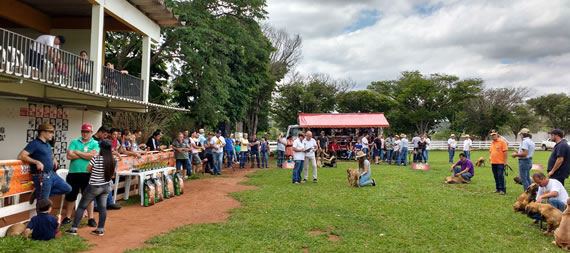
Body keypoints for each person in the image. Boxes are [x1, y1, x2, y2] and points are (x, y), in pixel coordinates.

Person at [66, 139, 117, 236]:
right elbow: (112, 174)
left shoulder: (96, 159)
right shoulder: (112, 160)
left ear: (101, 148)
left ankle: (74, 228)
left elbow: (88, 169)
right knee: (103, 208)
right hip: (106, 186)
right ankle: (100, 229)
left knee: (81, 206)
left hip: (94, 186)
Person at [18, 124, 71, 204]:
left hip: (52, 174)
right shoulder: (34, 144)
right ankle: (40, 200)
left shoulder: (47, 143)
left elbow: (50, 152)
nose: (52, 134)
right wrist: (36, 162)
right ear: (43, 132)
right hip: (42, 176)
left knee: (67, 188)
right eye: (50, 132)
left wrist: (54, 159)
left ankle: (38, 194)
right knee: (43, 202)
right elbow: (21, 156)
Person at [62, 123, 99, 227]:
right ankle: (68, 217)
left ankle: (91, 218)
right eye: (83, 131)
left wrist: (77, 152)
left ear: (91, 133)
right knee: (70, 196)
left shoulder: (95, 143)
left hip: (88, 173)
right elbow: (69, 156)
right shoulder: (74, 142)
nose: (85, 134)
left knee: (88, 196)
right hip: (73, 172)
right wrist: (85, 155)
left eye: (87, 132)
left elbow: (93, 156)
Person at [489, 130, 508, 195]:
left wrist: (505, 161)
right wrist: (490, 157)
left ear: (497, 134)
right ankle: (498, 188)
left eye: (494, 135)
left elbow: (505, 152)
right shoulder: (492, 143)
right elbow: (490, 151)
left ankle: (502, 189)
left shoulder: (502, 142)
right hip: (493, 162)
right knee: (496, 176)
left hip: (500, 162)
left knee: (500, 175)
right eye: (492, 135)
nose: (493, 136)